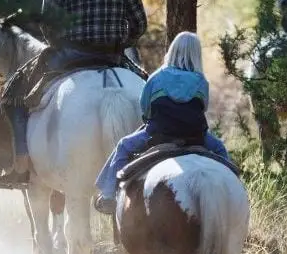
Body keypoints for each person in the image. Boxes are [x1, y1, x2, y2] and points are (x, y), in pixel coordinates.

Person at [0, 0, 149, 189]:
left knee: (13, 96)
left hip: (71, 57)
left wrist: (62, 44)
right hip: (113, 56)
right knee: (150, 92)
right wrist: (121, 43)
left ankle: (20, 164)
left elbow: (48, 28)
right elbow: (139, 24)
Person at [92, 32, 230, 215]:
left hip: (158, 133)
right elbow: (202, 108)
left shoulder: (157, 77)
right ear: (197, 54)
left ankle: (109, 194)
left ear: (172, 50)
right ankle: (230, 193)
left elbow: (145, 108)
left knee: (123, 146)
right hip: (195, 136)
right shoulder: (201, 81)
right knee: (220, 150)